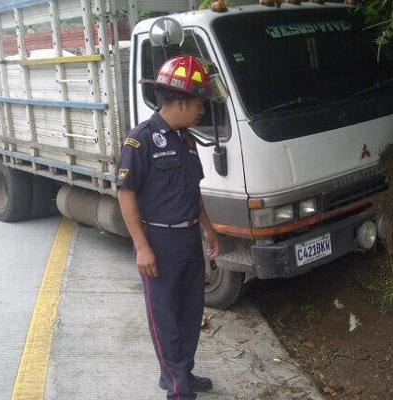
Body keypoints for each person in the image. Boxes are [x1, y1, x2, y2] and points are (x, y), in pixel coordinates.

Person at [117, 55, 220, 400]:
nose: (201, 111)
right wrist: (142, 246)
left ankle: (181, 373)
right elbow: (126, 193)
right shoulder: (141, 140)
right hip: (159, 240)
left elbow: (193, 189)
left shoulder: (186, 139)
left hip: (189, 239)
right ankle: (177, 387)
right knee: (165, 319)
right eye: (198, 104)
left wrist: (208, 229)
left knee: (191, 312)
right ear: (179, 102)